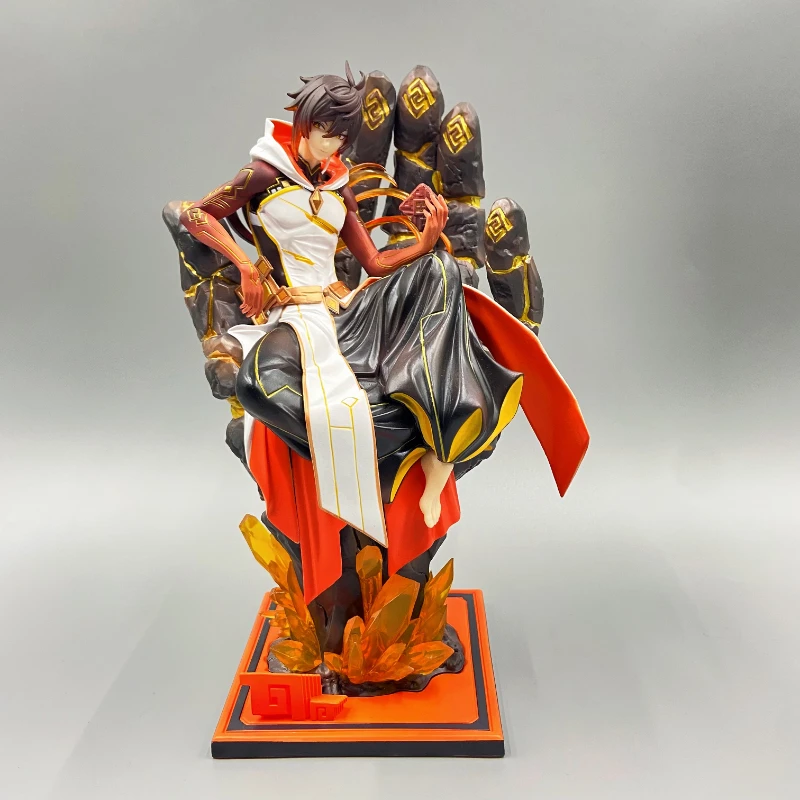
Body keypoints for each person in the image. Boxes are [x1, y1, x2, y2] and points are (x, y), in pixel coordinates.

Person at [180, 64, 589, 603]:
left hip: (344, 309)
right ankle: (378, 452)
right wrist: (246, 267)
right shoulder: (263, 173)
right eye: (326, 132)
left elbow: (373, 263)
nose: (333, 146)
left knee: (441, 272)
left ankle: (440, 426)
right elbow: (197, 215)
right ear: (304, 120)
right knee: (257, 387)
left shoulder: (338, 184)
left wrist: (425, 242)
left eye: (342, 138)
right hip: (293, 317)